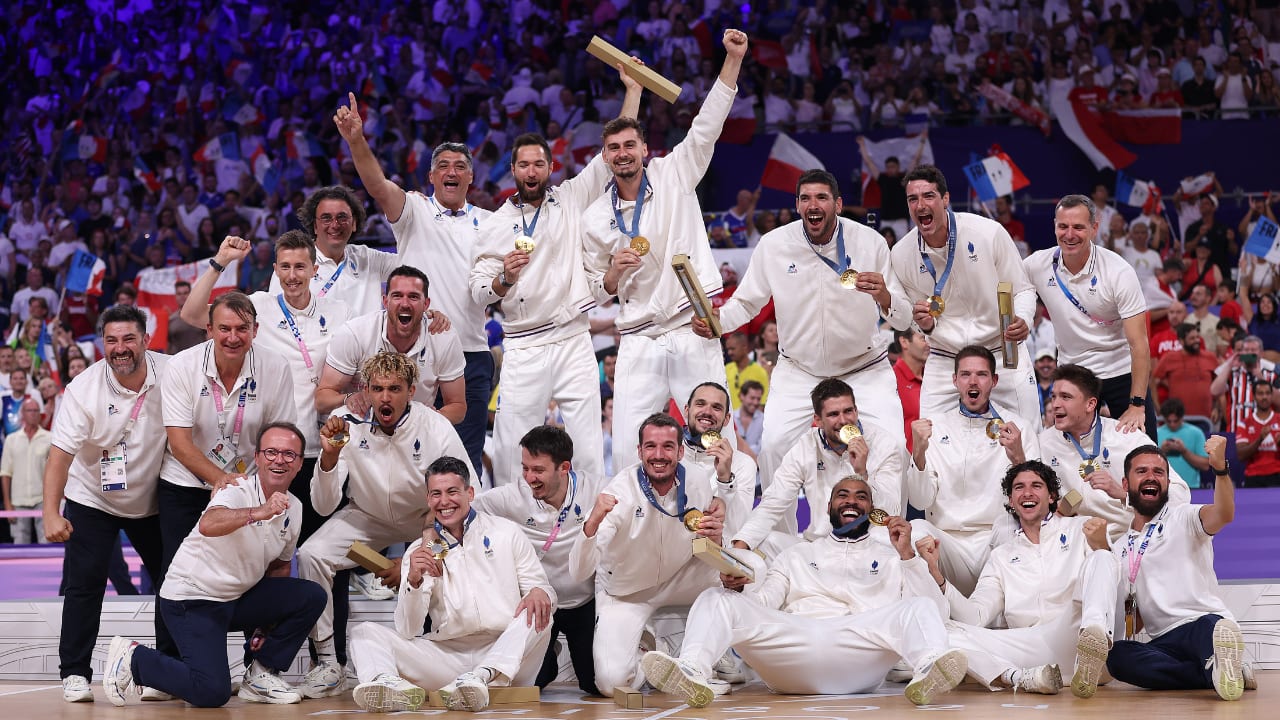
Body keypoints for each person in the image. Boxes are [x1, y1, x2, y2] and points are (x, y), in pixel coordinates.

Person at [641, 476, 967, 708]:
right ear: (829, 506)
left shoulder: (893, 558)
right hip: (792, 649)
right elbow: (763, 603)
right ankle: (693, 670)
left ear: (873, 509)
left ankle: (929, 669)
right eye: (843, 495)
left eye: (861, 496)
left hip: (859, 648)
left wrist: (907, 555)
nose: (851, 500)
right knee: (718, 597)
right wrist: (740, 591)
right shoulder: (796, 554)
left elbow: (936, 614)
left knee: (920, 605)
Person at [581, 29, 747, 473]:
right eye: (613, 148)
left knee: (716, 438)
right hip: (638, 337)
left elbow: (707, 126)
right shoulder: (596, 217)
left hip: (691, 325)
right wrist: (614, 273)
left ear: (644, 150)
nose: (622, 153)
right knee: (629, 447)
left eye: (629, 145)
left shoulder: (674, 173)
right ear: (605, 156)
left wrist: (731, 62)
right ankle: (628, 534)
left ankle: (729, 530)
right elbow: (597, 291)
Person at [694, 170, 911, 510]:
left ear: (838, 204)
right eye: (806, 198)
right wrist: (719, 322)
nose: (814, 205)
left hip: (863, 368)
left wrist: (885, 296)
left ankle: (886, 538)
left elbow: (904, 317)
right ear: (796, 205)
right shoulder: (774, 245)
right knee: (775, 446)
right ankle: (783, 545)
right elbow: (748, 302)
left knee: (895, 446)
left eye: (822, 198)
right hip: (800, 371)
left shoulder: (870, 242)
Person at [471, 61, 642, 488]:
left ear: (551, 168)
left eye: (539, 164)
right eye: (524, 165)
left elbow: (612, 157)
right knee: (514, 447)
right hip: (524, 344)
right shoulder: (493, 224)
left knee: (585, 445)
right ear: (513, 170)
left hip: (571, 337)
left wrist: (633, 90)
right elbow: (477, 291)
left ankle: (594, 534)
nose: (532, 172)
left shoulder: (569, 199)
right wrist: (503, 280)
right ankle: (515, 535)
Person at [103, 424, 326, 707]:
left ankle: (260, 675)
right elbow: (209, 524)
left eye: (289, 454)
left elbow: (279, 569)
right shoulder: (236, 489)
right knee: (211, 692)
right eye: (271, 452)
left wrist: (266, 627)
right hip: (192, 599)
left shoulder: (295, 507)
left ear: (298, 464)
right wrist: (259, 512)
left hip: (234, 598)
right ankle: (134, 658)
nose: (279, 459)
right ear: (257, 457)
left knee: (310, 595)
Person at [336, 100, 494, 480]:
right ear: (431, 177)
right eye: (443, 166)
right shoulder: (413, 210)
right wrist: (357, 140)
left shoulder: (492, 223)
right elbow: (376, 185)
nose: (451, 172)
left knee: (464, 460)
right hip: (413, 354)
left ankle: (457, 539)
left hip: (470, 353)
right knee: (406, 458)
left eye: (460, 167)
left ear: (471, 178)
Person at [298, 351, 468, 697]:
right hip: (367, 516)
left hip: (424, 518)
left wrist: (412, 558)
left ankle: (449, 651)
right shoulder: (345, 420)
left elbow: (459, 503)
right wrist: (329, 457)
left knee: (447, 555)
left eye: (394, 388)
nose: (385, 398)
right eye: (377, 389)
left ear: (411, 390)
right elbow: (323, 504)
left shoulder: (435, 426)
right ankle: (329, 662)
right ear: (367, 389)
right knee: (312, 554)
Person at [348, 457, 556, 713]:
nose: (444, 501)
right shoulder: (419, 551)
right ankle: (387, 686)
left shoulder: (506, 532)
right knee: (364, 632)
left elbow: (544, 591)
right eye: (436, 494)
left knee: (539, 610)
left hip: (505, 656)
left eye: (452, 492)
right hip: (447, 657)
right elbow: (408, 629)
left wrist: (539, 590)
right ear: (428, 499)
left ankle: (480, 677)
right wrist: (414, 580)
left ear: (470, 493)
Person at [180, 232, 350, 541]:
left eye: (300, 267)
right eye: (284, 267)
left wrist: (429, 318)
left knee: (321, 546)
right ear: (275, 269)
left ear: (315, 270)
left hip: (323, 445)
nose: (292, 276)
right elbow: (191, 314)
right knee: (270, 548)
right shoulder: (259, 306)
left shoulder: (340, 311)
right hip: (277, 456)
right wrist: (221, 262)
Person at [157, 291, 297, 665]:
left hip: (248, 486)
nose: (233, 337)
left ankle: (255, 668)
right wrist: (222, 479)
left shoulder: (276, 366)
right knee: (178, 574)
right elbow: (179, 442)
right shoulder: (182, 366)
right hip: (185, 483)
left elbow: (278, 434)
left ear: (255, 329)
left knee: (252, 571)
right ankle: (170, 662)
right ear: (209, 330)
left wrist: (260, 490)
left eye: (241, 329)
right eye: (224, 329)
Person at [42, 306, 172, 703]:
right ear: (103, 344)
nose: (120, 349)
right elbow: (60, 456)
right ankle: (75, 673)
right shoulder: (83, 388)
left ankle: (168, 672)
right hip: (92, 497)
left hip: (152, 497)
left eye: (129, 339)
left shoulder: (174, 372)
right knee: (85, 585)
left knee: (172, 584)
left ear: (146, 340)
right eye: (112, 341)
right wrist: (51, 512)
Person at [919, 460, 1118, 698]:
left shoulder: (1081, 529)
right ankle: (1021, 677)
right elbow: (975, 616)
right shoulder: (1001, 556)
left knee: (1103, 559)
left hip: (1075, 631)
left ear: (1052, 496)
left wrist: (1100, 546)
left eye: (1036, 485)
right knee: (944, 630)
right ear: (1011, 501)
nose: (1027, 493)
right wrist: (938, 576)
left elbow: (1110, 579)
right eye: (1019, 488)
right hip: (1030, 646)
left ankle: (1093, 644)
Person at [569, 413, 737, 692]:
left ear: (681, 451)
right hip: (627, 590)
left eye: (668, 447)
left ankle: (706, 661)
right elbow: (578, 572)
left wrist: (719, 541)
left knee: (746, 572)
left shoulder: (696, 481)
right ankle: (654, 655)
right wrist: (593, 521)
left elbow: (710, 542)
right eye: (650, 446)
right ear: (639, 451)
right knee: (611, 684)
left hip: (680, 576)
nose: (659, 455)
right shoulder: (620, 491)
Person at [890, 165, 1039, 422]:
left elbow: (1023, 290)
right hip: (946, 359)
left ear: (945, 199)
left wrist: (1023, 318)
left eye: (928, 196)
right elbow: (912, 317)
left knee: (1026, 436)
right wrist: (922, 324)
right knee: (932, 442)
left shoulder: (987, 233)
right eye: (912, 199)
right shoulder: (902, 254)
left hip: (1001, 352)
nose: (920, 205)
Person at [1106, 439, 1249, 701]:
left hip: (1203, 624)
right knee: (1118, 657)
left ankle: (1216, 665)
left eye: (1159, 472)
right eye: (1142, 471)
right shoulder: (1119, 548)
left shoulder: (1183, 516)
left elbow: (1224, 513)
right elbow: (1134, 617)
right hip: (1164, 642)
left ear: (1168, 484)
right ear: (1126, 485)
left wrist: (1220, 470)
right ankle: (1214, 672)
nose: (1152, 477)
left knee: (1211, 628)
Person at [471, 425, 601, 694]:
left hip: (585, 601)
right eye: (525, 468)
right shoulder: (512, 496)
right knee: (533, 682)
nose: (529, 477)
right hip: (541, 604)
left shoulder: (596, 489)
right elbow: (461, 510)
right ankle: (548, 655)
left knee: (595, 683)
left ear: (564, 467)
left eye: (538, 470)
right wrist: (428, 534)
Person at [906, 346, 1039, 595]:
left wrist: (1019, 458)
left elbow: (1036, 503)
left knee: (1012, 526)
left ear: (994, 381)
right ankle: (933, 611)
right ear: (955, 380)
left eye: (982, 374)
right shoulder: (935, 428)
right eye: (965, 374)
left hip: (995, 540)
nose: (973, 381)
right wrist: (919, 453)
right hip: (948, 543)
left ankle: (1006, 615)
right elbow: (919, 500)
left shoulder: (1019, 428)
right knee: (916, 530)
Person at [1025, 194, 1154, 435]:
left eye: (1078, 227)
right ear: (1054, 226)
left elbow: (1139, 345)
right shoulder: (1036, 265)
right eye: (1063, 226)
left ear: (1094, 228)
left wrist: (1137, 405)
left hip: (1120, 372)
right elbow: (1007, 290)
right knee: (1069, 457)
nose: (1069, 234)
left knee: (1144, 453)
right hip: (1072, 375)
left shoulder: (1119, 272)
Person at [732, 378, 906, 552]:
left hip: (869, 546)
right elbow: (773, 501)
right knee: (764, 542)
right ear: (818, 420)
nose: (844, 420)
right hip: (819, 548)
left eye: (848, 411)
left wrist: (862, 474)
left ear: (856, 411)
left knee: (914, 533)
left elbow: (890, 509)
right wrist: (741, 547)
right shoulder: (806, 445)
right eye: (833, 414)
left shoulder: (884, 443)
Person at [1039, 364, 1190, 538]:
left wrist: (1125, 494)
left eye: (1066, 397)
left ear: (1090, 404)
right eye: (1054, 396)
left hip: (1126, 538)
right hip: (1074, 542)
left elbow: (1180, 494)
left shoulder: (1127, 437)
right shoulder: (1044, 443)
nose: (1055, 404)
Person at [316, 266, 464, 424]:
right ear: (385, 301)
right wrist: (348, 398)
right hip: (362, 434)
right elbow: (322, 400)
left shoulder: (444, 338)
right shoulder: (355, 334)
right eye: (397, 296)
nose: (405, 303)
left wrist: (433, 421)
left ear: (426, 304)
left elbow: (458, 406)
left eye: (413, 297)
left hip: (416, 433)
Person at [270, 186, 400, 318]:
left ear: (353, 223)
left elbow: (414, 263)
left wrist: (411, 207)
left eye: (342, 217)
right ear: (315, 225)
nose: (335, 225)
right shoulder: (291, 264)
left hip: (366, 339)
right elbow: (277, 319)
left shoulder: (368, 258)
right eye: (326, 218)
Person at [1, 398, 50, 543]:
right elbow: (5, 473)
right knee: (19, 544)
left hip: (43, 499)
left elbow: (56, 472)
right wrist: (7, 504)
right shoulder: (11, 439)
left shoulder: (50, 438)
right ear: (22, 413)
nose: (33, 414)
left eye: (36, 411)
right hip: (18, 500)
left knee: (47, 541)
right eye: (30, 410)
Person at [1211, 334, 1277, 433]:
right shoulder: (1231, 373)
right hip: (1236, 431)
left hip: (1264, 433)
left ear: (1261, 353)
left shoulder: (1271, 374)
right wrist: (1229, 364)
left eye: (1253, 350)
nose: (1249, 353)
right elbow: (1214, 391)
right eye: (1246, 350)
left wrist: (1260, 377)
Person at [1151, 323, 1219, 419]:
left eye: (1197, 337)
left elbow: (1221, 387)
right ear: (1181, 341)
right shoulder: (1169, 358)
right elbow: (1153, 381)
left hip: (1206, 419)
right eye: (1192, 338)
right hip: (1177, 420)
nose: (1196, 341)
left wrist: (1217, 408)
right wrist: (1158, 408)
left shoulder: (1210, 357)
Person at [1234, 378, 1280, 487]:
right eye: (1260, 393)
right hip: (1253, 476)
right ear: (1254, 397)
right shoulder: (1245, 423)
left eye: (1268, 393)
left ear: (1272, 396)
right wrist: (1259, 439)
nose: (1264, 397)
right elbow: (1241, 455)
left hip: (1277, 474)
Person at [1158, 398, 1209, 489]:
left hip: (1190, 488)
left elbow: (1205, 465)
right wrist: (1162, 452)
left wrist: (1184, 451)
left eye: (1175, 421)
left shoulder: (1196, 433)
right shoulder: (1156, 433)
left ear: (1182, 417)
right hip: (1163, 487)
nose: (1172, 424)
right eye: (1169, 421)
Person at [893, 327, 927, 450]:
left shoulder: (934, 377)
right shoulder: (892, 380)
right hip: (907, 463)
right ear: (904, 342)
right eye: (923, 338)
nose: (928, 344)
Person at [723, 332, 769, 411]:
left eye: (733, 349)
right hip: (728, 419)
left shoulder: (760, 372)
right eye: (728, 349)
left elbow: (762, 403)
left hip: (749, 420)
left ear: (744, 347)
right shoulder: (726, 369)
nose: (730, 353)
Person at [166, 281, 206, 354]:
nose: (182, 296)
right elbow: (167, 344)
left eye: (185, 293)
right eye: (179, 294)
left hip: (199, 361)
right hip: (177, 362)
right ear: (176, 296)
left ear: (190, 294)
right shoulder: (170, 320)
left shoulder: (201, 316)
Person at [734, 379, 765, 460]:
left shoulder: (764, 420)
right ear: (741, 396)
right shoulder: (730, 418)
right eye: (752, 398)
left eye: (758, 399)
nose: (755, 402)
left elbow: (763, 448)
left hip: (757, 469)